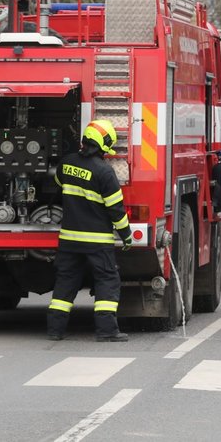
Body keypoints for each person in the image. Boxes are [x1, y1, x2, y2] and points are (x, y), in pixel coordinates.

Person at [47, 119, 132, 342]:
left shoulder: (66, 163)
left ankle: (55, 330)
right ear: (105, 144)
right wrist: (127, 236)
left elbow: (58, 182)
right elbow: (116, 210)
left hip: (69, 239)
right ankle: (107, 331)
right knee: (106, 281)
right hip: (97, 242)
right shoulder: (105, 172)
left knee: (65, 282)